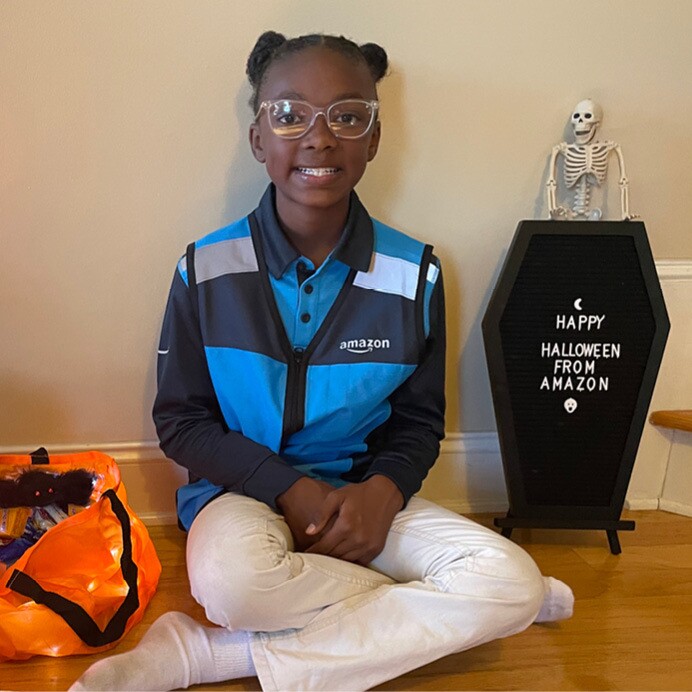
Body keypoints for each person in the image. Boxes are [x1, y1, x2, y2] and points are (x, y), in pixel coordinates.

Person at [71, 31, 573, 692]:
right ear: (259, 139)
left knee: (508, 578)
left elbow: (420, 422)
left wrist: (382, 492)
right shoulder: (205, 267)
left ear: (373, 137)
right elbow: (182, 421)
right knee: (234, 586)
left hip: (365, 500)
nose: (319, 136)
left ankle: (206, 656)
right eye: (289, 115)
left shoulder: (414, 272)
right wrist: (289, 488)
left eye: (347, 115)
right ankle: (461, 604)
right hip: (241, 497)